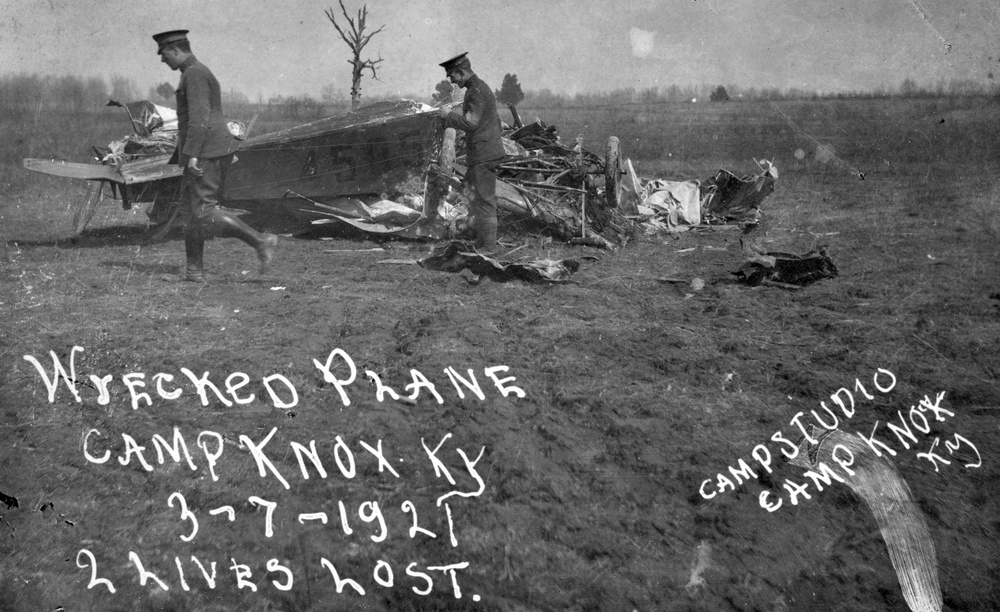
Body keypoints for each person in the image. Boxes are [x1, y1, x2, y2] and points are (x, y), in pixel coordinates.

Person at [153, 29, 277, 282]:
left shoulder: (195, 74)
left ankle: (261, 241)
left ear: (176, 50)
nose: (162, 60)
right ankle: (194, 271)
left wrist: (193, 155)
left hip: (205, 152)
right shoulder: (192, 72)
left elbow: (200, 118)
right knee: (190, 212)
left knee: (203, 210)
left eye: (164, 53)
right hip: (204, 150)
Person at [438, 52, 506, 254]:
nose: (452, 82)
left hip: (484, 153)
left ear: (461, 72)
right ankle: (481, 240)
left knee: (485, 198)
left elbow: (470, 122)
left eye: (453, 77)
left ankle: (489, 246)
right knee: (473, 194)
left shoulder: (476, 91)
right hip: (483, 152)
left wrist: (447, 116)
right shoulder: (477, 88)